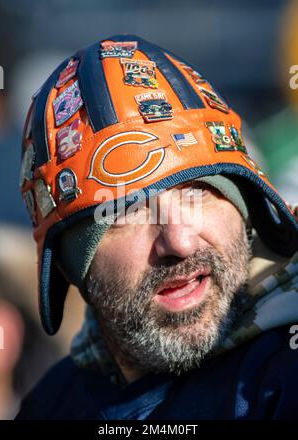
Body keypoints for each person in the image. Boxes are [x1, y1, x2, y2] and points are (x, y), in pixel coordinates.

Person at [16, 35, 298, 420]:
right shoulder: (52, 405)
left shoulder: (282, 375)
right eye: (126, 211)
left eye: (197, 190)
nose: (178, 241)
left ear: (245, 204)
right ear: (68, 264)